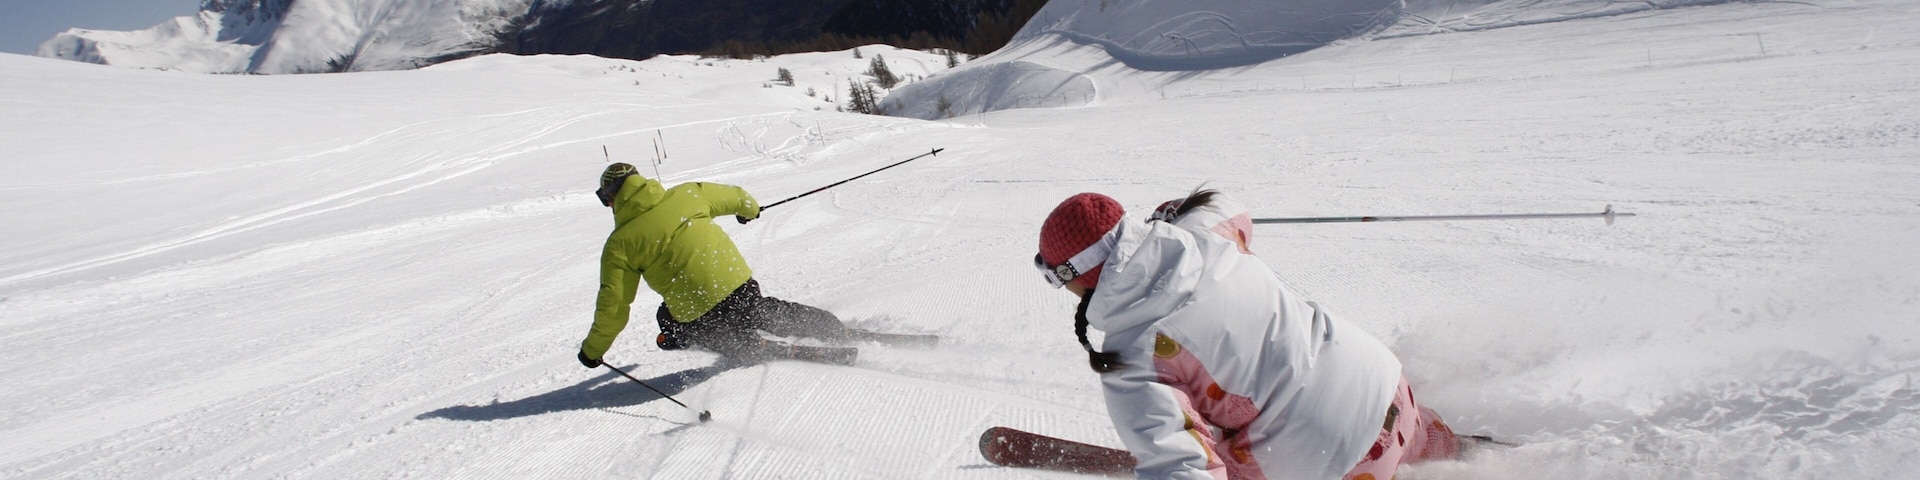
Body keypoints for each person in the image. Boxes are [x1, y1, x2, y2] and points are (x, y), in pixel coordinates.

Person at [1034, 190, 1460, 480]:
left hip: (1332, 461)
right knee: (1418, 437)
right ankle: (1477, 454)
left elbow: (1182, 466)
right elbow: (1224, 202)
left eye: (1057, 278)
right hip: (1383, 385)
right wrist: (1173, 215)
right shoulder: (1203, 233)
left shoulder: (1131, 358)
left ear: (1078, 276)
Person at [577, 163, 852, 368]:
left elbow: (613, 308)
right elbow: (737, 196)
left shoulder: (619, 245)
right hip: (737, 286)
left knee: (669, 321)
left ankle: (744, 344)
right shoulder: (686, 195)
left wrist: (592, 352)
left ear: (613, 196)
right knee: (756, 310)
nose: (608, 204)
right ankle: (829, 326)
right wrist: (750, 210)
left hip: (696, 311)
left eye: (606, 199)